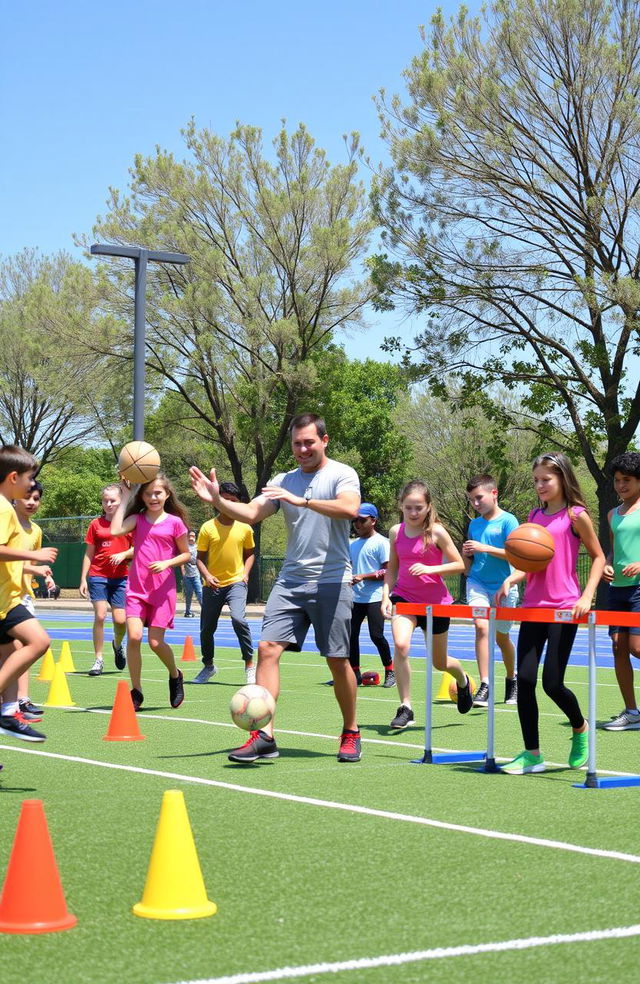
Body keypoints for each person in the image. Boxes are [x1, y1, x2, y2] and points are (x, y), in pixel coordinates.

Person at [190, 412, 362, 763]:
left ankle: (350, 731)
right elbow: (251, 513)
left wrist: (303, 501)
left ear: (324, 441)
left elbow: (350, 509)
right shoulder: (283, 480)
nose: (302, 449)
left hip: (332, 580)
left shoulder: (342, 474)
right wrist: (218, 501)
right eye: (297, 443)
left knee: (337, 660)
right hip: (291, 581)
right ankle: (264, 735)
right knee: (267, 648)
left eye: (308, 442)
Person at [497, 452, 605, 774]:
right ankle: (533, 755)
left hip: (564, 607)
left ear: (562, 478)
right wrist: (512, 576)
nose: (541, 485)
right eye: (536, 481)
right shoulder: (534, 514)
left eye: (546, 479)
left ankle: (580, 726)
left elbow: (598, 557)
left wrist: (587, 596)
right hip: (533, 607)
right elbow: (533, 563)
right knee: (526, 680)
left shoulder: (576, 515)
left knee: (552, 684)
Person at [381, 480, 471, 729]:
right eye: (408, 507)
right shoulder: (395, 532)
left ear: (428, 506)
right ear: (401, 505)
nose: (413, 513)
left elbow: (460, 565)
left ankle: (462, 680)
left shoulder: (437, 532)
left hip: (436, 603)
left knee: (439, 662)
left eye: (418, 508)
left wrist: (431, 568)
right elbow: (392, 569)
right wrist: (385, 596)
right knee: (400, 645)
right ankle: (406, 706)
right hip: (405, 597)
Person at [111, 473, 190, 712]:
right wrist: (125, 496)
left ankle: (175, 675)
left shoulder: (175, 522)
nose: (153, 497)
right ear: (142, 496)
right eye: (148, 493)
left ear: (167, 495)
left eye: (158, 493)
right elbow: (115, 530)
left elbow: (187, 554)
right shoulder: (137, 519)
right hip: (136, 589)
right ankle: (137, 691)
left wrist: (167, 563)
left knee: (156, 643)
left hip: (163, 590)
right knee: (134, 637)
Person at [0, 446, 56, 743]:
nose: (32, 485)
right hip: (3, 602)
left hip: (9, 598)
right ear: (13, 478)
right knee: (39, 641)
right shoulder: (3, 508)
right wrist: (34, 557)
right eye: (30, 479)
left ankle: (9, 713)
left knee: (10, 650)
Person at [191, 482, 256, 685]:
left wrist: (245, 574)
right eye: (224, 500)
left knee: (239, 619)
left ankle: (249, 665)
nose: (228, 504)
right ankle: (208, 666)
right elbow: (199, 558)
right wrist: (208, 576)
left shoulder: (245, 527)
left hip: (236, 582)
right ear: (217, 502)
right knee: (207, 629)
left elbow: (250, 554)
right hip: (212, 585)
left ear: (239, 503)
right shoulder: (207, 527)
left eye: (233, 501)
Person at [462, 474, 519, 707]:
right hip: (477, 583)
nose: (475, 504)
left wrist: (485, 547)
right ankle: (485, 684)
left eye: (479, 498)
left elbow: (517, 554)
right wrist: (467, 557)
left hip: (505, 586)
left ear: (494, 493)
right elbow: (468, 561)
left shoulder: (508, 521)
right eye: (472, 500)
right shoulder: (473, 525)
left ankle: (511, 678)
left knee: (501, 637)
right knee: (481, 627)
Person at [601, 452, 640, 731]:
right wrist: (606, 564)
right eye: (617, 480)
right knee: (618, 648)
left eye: (626, 480)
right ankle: (632, 712)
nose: (620, 485)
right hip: (618, 591)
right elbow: (614, 550)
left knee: (638, 649)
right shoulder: (612, 514)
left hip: (639, 588)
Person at [12, 479, 56, 720]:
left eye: (36, 498)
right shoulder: (7, 525)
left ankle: (21, 699)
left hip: (23, 594)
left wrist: (45, 576)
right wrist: (34, 569)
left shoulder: (36, 530)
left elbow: (31, 564)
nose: (31, 502)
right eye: (27, 497)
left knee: (23, 648)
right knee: (26, 645)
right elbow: (10, 563)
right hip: (6, 595)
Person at [80, 485, 133, 676]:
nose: (109, 504)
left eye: (113, 500)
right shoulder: (95, 524)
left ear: (121, 501)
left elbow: (137, 548)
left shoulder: (128, 523)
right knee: (100, 615)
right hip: (98, 576)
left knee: (120, 621)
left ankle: (118, 644)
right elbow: (88, 554)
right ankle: (98, 660)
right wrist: (83, 579)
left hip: (121, 578)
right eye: (105, 500)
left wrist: (124, 554)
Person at [349, 503, 394, 687]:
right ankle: (354, 674)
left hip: (376, 597)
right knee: (350, 635)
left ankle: (390, 671)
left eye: (362, 520)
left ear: (373, 521)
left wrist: (364, 576)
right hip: (355, 598)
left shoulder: (382, 543)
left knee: (376, 636)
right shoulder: (352, 544)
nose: (357, 524)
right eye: (355, 521)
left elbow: (389, 571)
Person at [181, 530, 203, 617]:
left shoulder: (198, 547)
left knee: (200, 593)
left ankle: (205, 611)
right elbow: (182, 560)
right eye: (190, 536)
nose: (191, 537)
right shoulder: (185, 547)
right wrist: (183, 571)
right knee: (188, 594)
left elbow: (201, 560)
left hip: (196, 574)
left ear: (195, 537)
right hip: (187, 575)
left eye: (193, 536)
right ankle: (187, 612)